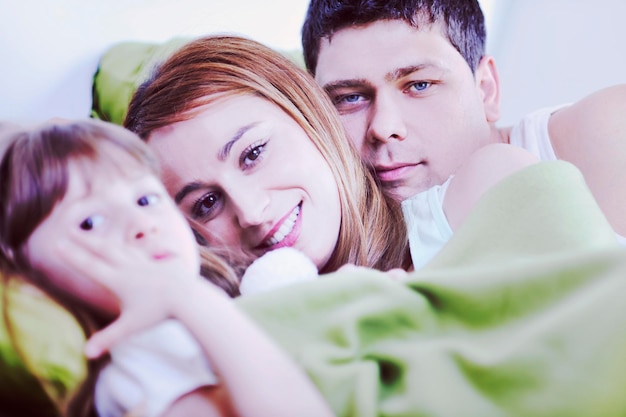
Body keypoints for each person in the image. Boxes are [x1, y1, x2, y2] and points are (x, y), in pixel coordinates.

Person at [0, 119, 335, 417]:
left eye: (145, 200)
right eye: (91, 221)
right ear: (27, 273)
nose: (141, 224)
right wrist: (188, 297)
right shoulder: (134, 370)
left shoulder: (235, 287)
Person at [301, 0, 626, 243]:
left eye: (419, 85)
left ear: (486, 89)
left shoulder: (603, 131)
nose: (383, 128)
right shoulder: (330, 234)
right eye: (349, 98)